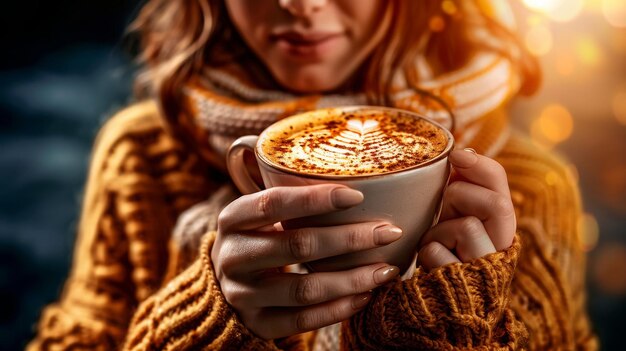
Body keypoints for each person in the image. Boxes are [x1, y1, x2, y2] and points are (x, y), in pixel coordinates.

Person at [28, 0, 598, 350]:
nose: (299, 4)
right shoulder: (142, 154)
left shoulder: (528, 185)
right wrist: (205, 324)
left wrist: (456, 329)